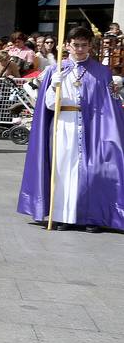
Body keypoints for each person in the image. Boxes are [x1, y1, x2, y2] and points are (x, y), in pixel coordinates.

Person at [17, 26, 124, 233]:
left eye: (84, 45)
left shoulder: (101, 71)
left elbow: (109, 105)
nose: (80, 49)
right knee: (63, 169)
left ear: (90, 46)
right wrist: (53, 86)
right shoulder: (55, 70)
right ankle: (63, 216)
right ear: (67, 45)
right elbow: (47, 105)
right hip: (63, 124)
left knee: (93, 170)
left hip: (93, 126)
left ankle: (92, 215)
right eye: (76, 45)